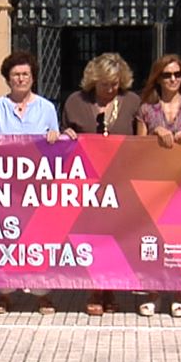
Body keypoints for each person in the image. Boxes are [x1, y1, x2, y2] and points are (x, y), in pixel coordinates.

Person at [62, 52, 141, 316]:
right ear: (94, 80)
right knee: (92, 237)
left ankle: (111, 289)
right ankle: (94, 289)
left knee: (115, 237)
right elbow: (63, 137)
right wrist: (67, 135)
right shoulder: (75, 102)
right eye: (106, 83)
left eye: (116, 83)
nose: (111, 88)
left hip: (119, 182)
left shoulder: (131, 102)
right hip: (86, 183)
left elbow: (141, 140)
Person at [0, 50, 61, 315]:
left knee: (38, 238)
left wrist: (55, 136)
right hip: (5, 188)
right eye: (15, 74)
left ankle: (42, 295)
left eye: (25, 74)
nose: (21, 79)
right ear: (8, 78)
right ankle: (4, 293)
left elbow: (56, 143)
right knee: (6, 239)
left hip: (37, 188)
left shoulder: (47, 107)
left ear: (33, 77)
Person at [136, 54, 181, 318]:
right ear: (158, 78)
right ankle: (152, 292)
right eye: (167, 75)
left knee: (179, 238)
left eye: (177, 74)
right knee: (153, 238)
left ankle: (178, 291)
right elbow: (137, 148)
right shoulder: (146, 110)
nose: (173, 79)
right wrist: (155, 133)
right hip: (154, 181)